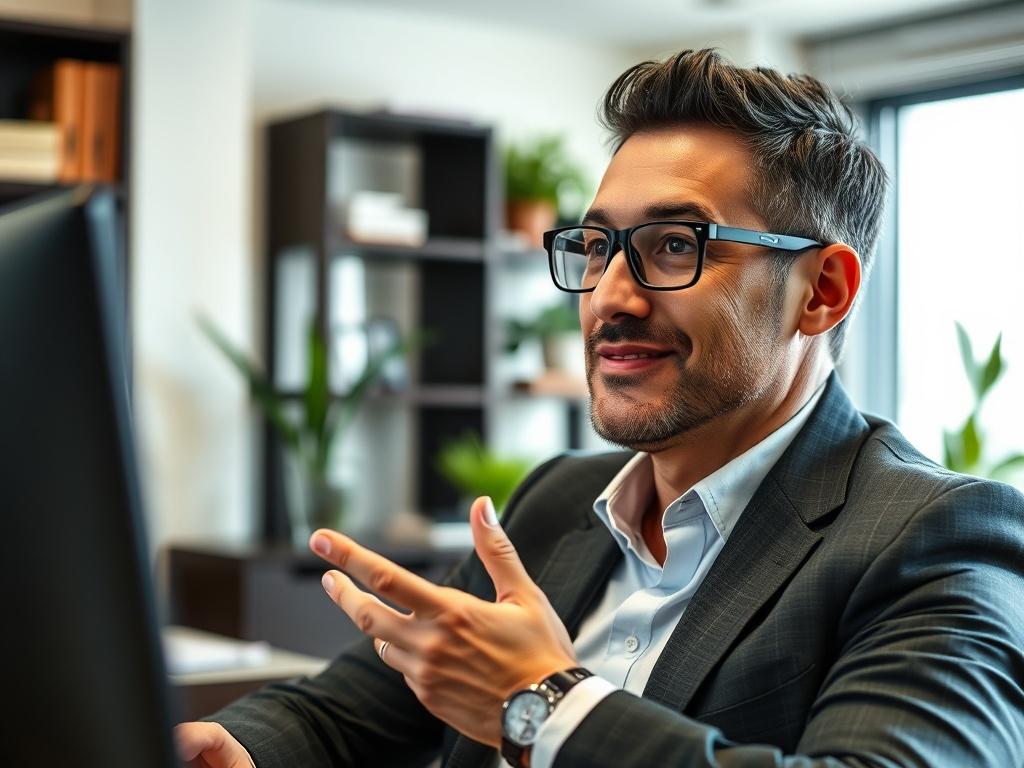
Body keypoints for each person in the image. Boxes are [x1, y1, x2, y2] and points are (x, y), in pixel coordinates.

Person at [176, 49, 1024, 767]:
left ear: (822, 292)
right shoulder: (553, 505)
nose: (608, 297)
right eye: (595, 246)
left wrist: (541, 704)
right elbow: (345, 713)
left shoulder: (938, 538)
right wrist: (228, 746)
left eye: (672, 246)